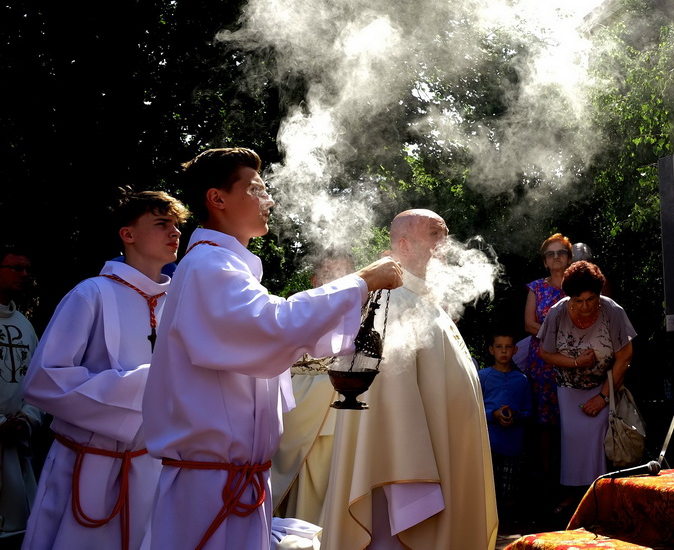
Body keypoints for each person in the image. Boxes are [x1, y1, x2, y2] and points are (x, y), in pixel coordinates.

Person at [142, 147, 402, 550]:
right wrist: (361, 281)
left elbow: (286, 335)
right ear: (217, 198)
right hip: (207, 486)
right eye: (256, 189)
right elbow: (275, 326)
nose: (269, 200)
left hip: (234, 480)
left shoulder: (227, 266)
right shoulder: (209, 267)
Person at [320, 209, 497, 550]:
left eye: (445, 235)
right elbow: (391, 399)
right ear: (403, 244)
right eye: (435, 235)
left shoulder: (425, 301)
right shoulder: (393, 299)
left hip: (443, 457)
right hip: (408, 482)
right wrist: (412, 484)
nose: (446, 244)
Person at [20, 190, 187, 550]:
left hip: (154, 466)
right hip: (89, 463)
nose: (175, 232)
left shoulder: (182, 303)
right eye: (162, 223)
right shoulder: (91, 294)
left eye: (176, 225)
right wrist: (144, 384)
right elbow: (43, 380)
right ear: (128, 234)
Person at [269, 254, 354, 525]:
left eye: (344, 275)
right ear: (314, 281)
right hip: (297, 414)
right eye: (329, 275)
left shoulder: (365, 317)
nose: (337, 283)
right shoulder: (297, 313)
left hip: (343, 419)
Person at [537, 261, 635, 490]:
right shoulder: (557, 313)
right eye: (578, 300)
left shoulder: (612, 311)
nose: (585, 306)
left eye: (591, 299)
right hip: (569, 387)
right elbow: (545, 353)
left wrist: (602, 397)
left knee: (598, 437)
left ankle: (600, 490)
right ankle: (575, 493)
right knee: (572, 439)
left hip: (605, 385)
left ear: (599, 294)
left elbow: (624, 357)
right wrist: (576, 362)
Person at [0, 247, 40, 547]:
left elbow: (40, 381)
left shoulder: (25, 326)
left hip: (16, 443)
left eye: (27, 269)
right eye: (15, 268)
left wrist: (27, 417)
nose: (24, 275)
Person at [523, 234, 570, 487]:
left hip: (574, 360)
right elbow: (529, 323)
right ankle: (546, 478)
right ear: (544, 261)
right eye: (550, 254)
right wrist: (555, 337)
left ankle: (571, 476)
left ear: (569, 258)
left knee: (571, 419)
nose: (555, 257)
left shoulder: (577, 286)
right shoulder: (536, 288)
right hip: (542, 361)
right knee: (544, 421)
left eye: (561, 252)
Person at [478, 331, 531, 522]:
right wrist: (493, 414)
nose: (503, 351)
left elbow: (528, 411)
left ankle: (506, 525)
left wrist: (515, 415)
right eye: (499, 347)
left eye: (508, 347)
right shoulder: (482, 376)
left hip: (512, 445)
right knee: (487, 488)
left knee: (509, 491)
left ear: (515, 350)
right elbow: (473, 409)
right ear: (491, 350)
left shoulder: (522, 380)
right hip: (488, 443)